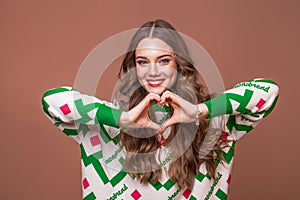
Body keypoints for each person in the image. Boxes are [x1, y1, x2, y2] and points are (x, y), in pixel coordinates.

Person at [41, 19, 279, 200]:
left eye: (164, 60)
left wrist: (199, 111)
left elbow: (267, 92)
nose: (152, 71)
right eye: (142, 62)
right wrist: (121, 119)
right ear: (133, 68)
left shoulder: (216, 123)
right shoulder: (105, 124)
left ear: (179, 64)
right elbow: (51, 101)